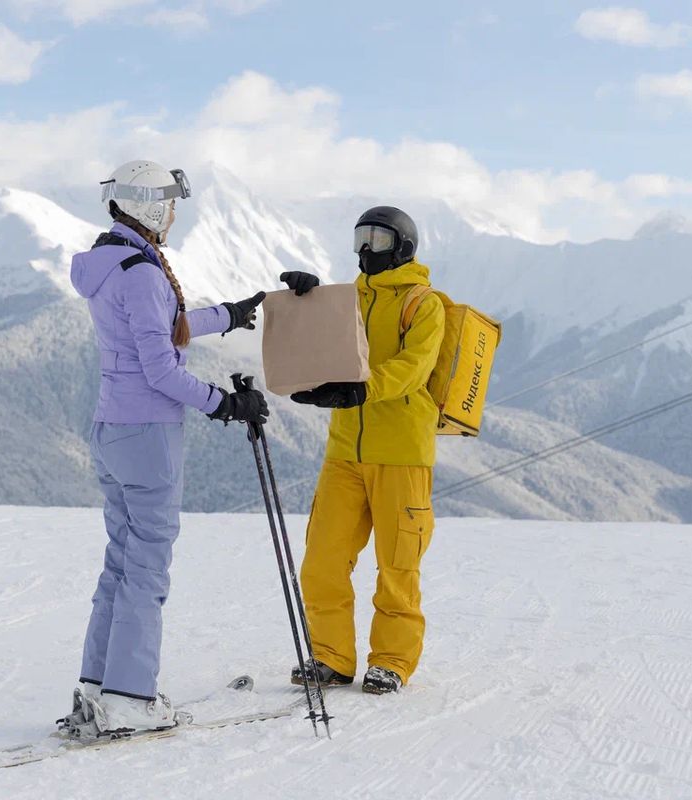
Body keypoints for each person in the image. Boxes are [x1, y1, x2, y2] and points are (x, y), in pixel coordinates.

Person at [61, 160, 269, 736]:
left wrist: (228, 316)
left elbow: (161, 325)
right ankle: (131, 699)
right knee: (147, 567)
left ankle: (96, 688)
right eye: (171, 202)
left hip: (112, 429)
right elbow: (160, 369)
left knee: (121, 561)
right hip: (149, 434)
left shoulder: (110, 264)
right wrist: (223, 403)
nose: (175, 212)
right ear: (150, 205)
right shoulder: (144, 273)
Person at [281, 206, 445, 695]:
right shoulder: (347, 298)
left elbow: (415, 367)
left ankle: (391, 661)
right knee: (323, 559)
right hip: (344, 453)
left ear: (404, 246)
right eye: (360, 237)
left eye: (376, 237)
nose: (365, 248)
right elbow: (318, 344)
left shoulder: (423, 303)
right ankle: (331, 656)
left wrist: (361, 389)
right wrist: (304, 300)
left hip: (402, 455)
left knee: (397, 565)